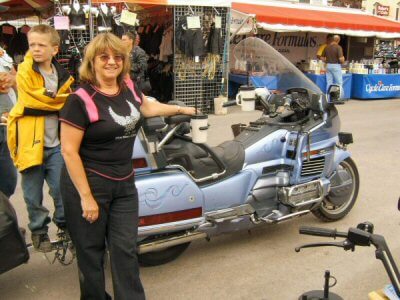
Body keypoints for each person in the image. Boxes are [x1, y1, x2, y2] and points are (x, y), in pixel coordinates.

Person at [59, 33, 196, 300]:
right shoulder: (80, 99)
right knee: (91, 252)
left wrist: (183, 109)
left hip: (123, 183)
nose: (112, 62)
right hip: (88, 184)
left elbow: (146, 108)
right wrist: (86, 198)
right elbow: (69, 151)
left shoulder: (128, 87)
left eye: (118, 57)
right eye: (104, 57)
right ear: (93, 62)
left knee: (125, 249)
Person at [7, 24, 74, 252]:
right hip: (29, 143)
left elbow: (66, 102)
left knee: (61, 191)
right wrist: (59, 101)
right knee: (32, 196)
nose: (35, 49)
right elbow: (32, 102)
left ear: (54, 49)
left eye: (41, 45)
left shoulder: (64, 76)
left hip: (56, 145)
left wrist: (57, 101)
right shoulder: (25, 70)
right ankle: (39, 231)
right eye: (32, 44)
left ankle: (64, 226)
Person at [0, 46, 17, 198]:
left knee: (8, 182)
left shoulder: (2, 53)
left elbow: (17, 80)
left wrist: (12, 80)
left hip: (7, 124)